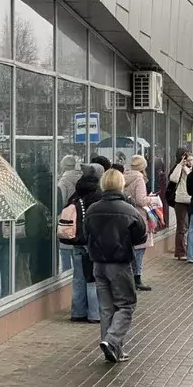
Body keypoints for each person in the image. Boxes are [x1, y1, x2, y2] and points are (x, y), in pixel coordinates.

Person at [84, 168, 148, 363]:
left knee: (106, 307)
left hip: (98, 264)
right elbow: (141, 236)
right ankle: (112, 341)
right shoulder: (129, 210)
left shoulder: (93, 209)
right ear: (121, 185)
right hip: (119, 264)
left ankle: (112, 348)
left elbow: (86, 234)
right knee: (126, 304)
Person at [67, 165, 104, 321]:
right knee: (92, 278)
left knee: (78, 277)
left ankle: (77, 312)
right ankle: (94, 314)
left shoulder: (75, 196)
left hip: (77, 240)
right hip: (92, 242)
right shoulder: (98, 196)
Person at [124, 154, 154, 292]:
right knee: (140, 249)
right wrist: (152, 200)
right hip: (138, 216)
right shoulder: (139, 179)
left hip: (126, 215)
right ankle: (137, 279)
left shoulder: (124, 176)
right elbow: (141, 200)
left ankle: (129, 278)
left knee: (130, 249)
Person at [57, 155, 82, 274]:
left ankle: (66, 276)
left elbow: (60, 201)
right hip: (79, 217)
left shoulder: (63, 181)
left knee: (65, 251)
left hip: (67, 219)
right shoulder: (81, 178)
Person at [169, 152, 193, 259]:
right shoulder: (179, 169)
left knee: (191, 226)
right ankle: (180, 252)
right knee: (181, 227)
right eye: (188, 160)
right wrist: (180, 165)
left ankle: (190, 251)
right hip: (180, 200)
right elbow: (173, 179)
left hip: (192, 200)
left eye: (192, 159)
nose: (190, 162)